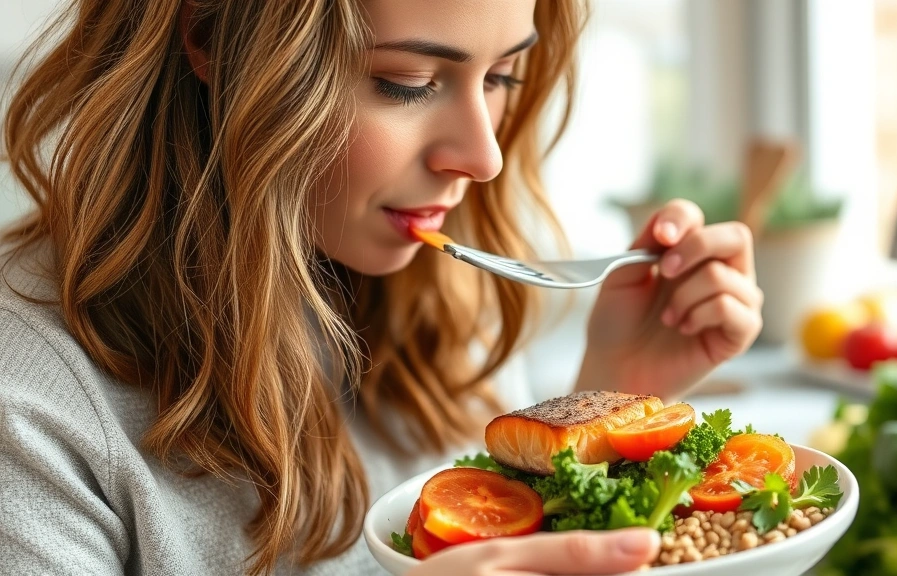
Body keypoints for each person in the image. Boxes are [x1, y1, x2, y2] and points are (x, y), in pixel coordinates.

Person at [0, 0, 763, 574]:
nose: (484, 158)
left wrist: (607, 403)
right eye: (407, 83)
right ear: (209, 37)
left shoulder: (444, 303)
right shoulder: (32, 404)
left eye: (501, 76)